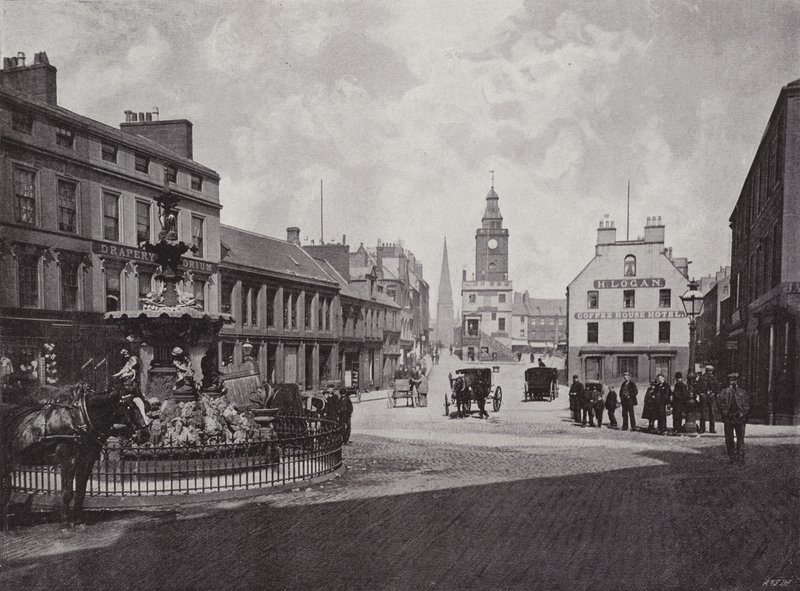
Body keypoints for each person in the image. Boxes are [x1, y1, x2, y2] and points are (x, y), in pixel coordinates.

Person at [717, 373, 750, 465]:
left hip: (739, 417)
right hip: (729, 417)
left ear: (737, 381)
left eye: (735, 380)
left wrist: (742, 412)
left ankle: (741, 457)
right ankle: (731, 457)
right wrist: (724, 411)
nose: (733, 382)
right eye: (731, 380)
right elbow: (719, 403)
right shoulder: (724, 392)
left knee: (740, 438)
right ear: (729, 381)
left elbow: (747, 404)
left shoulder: (742, 392)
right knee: (729, 438)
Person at [697, 365, 720, 434]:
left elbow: (717, 387)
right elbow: (698, 386)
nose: (710, 373)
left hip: (711, 396)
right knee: (703, 412)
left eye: (711, 371)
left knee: (712, 412)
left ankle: (712, 429)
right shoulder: (702, 378)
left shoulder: (714, 378)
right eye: (709, 371)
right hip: (704, 395)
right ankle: (702, 428)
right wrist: (700, 393)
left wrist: (714, 393)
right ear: (706, 371)